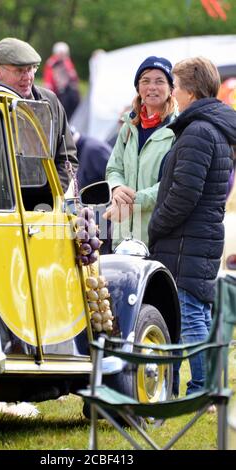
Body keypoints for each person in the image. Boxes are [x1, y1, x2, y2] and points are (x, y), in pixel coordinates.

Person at [148, 56, 236, 396]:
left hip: (188, 240)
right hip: (197, 237)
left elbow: (184, 194)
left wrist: (156, 224)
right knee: (196, 312)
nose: (173, 91)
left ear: (191, 91)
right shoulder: (208, 126)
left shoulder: (199, 130)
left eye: (176, 85)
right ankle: (204, 385)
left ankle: (203, 389)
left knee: (190, 315)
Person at [104, 56, 178, 248]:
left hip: (156, 235)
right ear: (138, 88)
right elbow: (114, 169)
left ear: (171, 89)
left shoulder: (179, 128)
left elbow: (173, 183)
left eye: (159, 81)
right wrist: (117, 189)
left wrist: (134, 200)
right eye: (145, 81)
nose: (151, 87)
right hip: (123, 235)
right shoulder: (129, 126)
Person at [0, 37, 78, 192]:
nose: (27, 77)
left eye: (30, 69)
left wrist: (54, 194)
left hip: (44, 207)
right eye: (19, 71)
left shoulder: (49, 101)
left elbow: (67, 156)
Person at [43, 41, 80, 120]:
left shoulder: (67, 61)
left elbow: (73, 76)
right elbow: (48, 80)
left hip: (68, 91)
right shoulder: (51, 63)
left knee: (75, 100)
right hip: (58, 92)